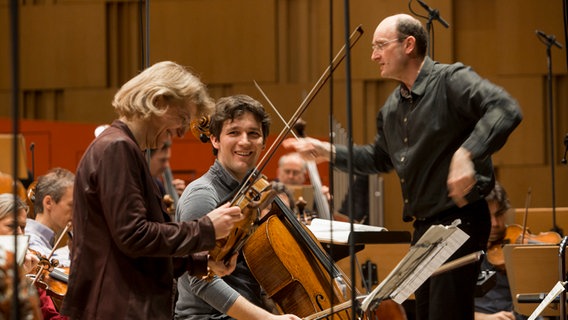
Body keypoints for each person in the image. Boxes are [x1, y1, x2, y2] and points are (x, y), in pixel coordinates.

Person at [283, 13, 522, 320]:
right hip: (424, 228)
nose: (373, 55)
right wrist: (327, 151)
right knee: (422, 314)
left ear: (409, 45)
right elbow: (379, 158)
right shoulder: (392, 108)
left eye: (380, 45)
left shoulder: (451, 80)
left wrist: (467, 154)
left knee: (445, 315)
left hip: (461, 219)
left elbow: (506, 108)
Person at [61, 61, 245, 320]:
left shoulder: (122, 147)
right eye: (182, 118)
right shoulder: (117, 148)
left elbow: (136, 249)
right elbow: (134, 236)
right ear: (158, 101)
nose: (182, 131)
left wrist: (199, 263)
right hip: (118, 310)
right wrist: (206, 228)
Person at [175, 94, 299, 320]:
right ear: (215, 140)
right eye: (234, 132)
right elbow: (200, 280)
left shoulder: (253, 191)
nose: (245, 141)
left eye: (253, 134)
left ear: (263, 142)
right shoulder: (203, 195)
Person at [474, 182, 542, 320]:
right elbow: (447, 307)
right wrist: (484, 318)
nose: (495, 223)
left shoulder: (517, 241)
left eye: (499, 214)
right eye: (488, 216)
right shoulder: (465, 250)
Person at [25, 167, 74, 268]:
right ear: (48, 203)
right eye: (72, 205)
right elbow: (48, 265)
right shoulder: (29, 239)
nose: (77, 212)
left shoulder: (46, 241)